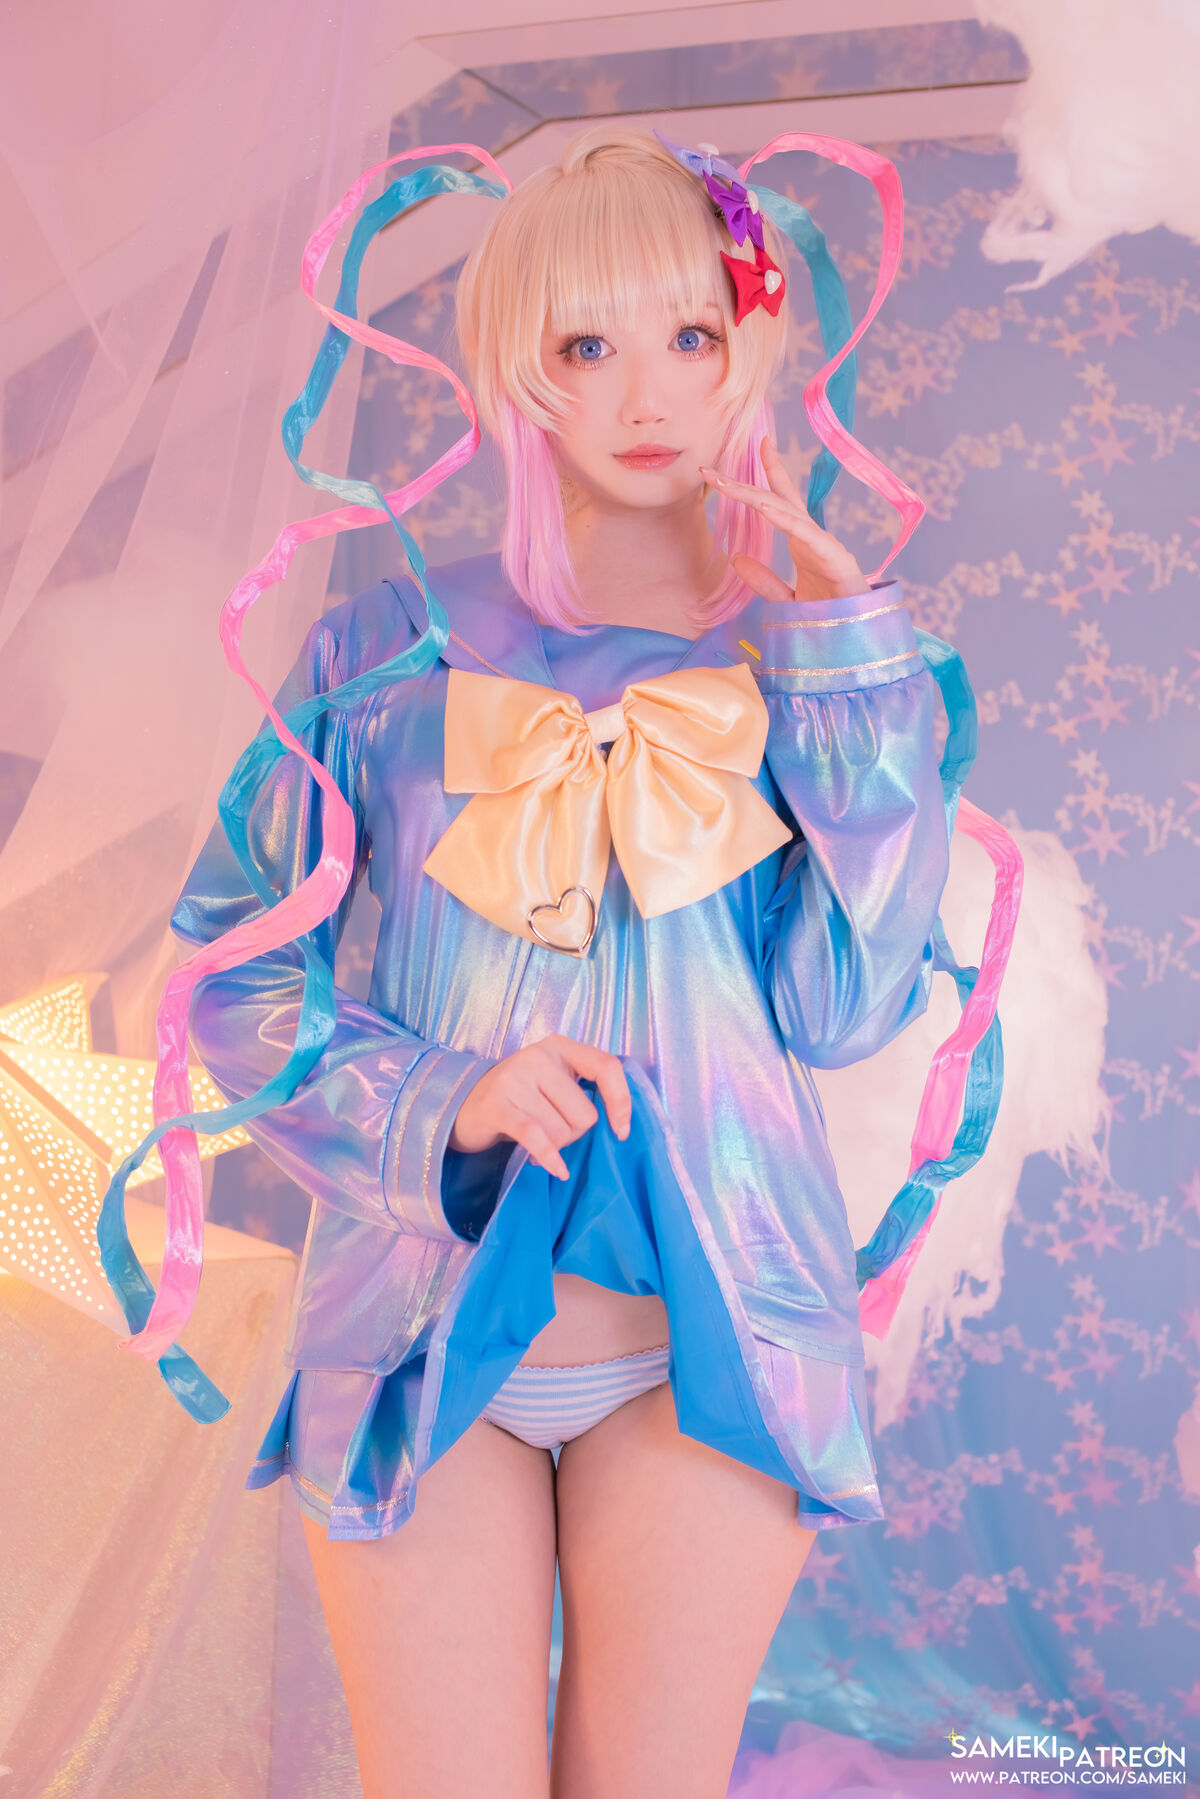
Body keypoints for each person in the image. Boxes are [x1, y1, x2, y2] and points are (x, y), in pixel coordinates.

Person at [156, 126, 962, 1798]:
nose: (647, 395)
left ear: (753, 347)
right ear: (517, 373)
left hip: (707, 1349)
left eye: (691, 335)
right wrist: (442, 1099)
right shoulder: (383, 656)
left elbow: (846, 1008)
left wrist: (851, 679)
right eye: (587, 346)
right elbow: (231, 976)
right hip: (418, 1334)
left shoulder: (816, 663)